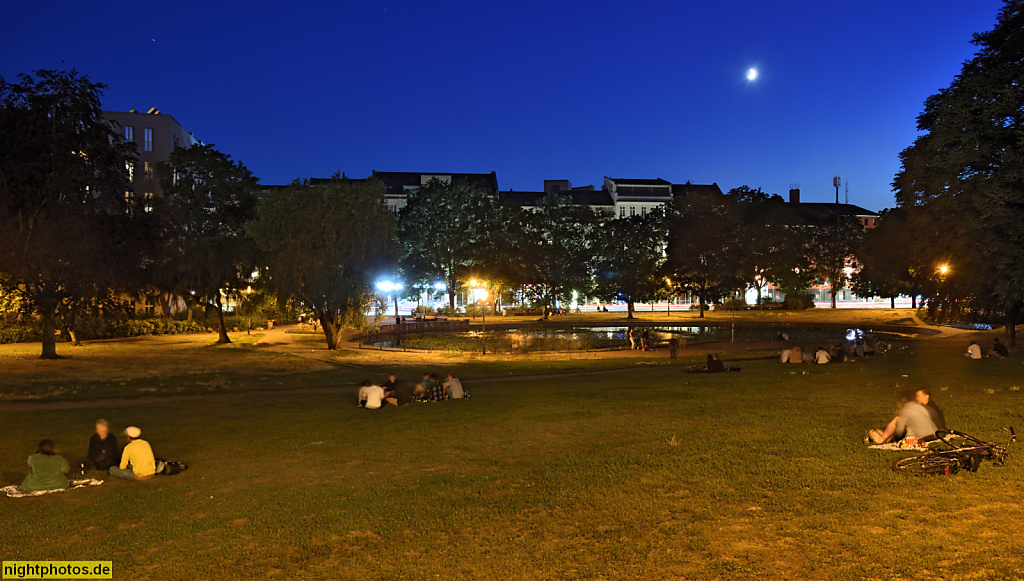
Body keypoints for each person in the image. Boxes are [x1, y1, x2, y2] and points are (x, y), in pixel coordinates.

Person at [867, 391, 938, 444]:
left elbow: (899, 431)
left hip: (918, 438)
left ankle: (881, 439)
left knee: (897, 420)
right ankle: (887, 437)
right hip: (933, 435)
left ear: (906, 401)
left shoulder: (907, 409)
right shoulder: (922, 408)